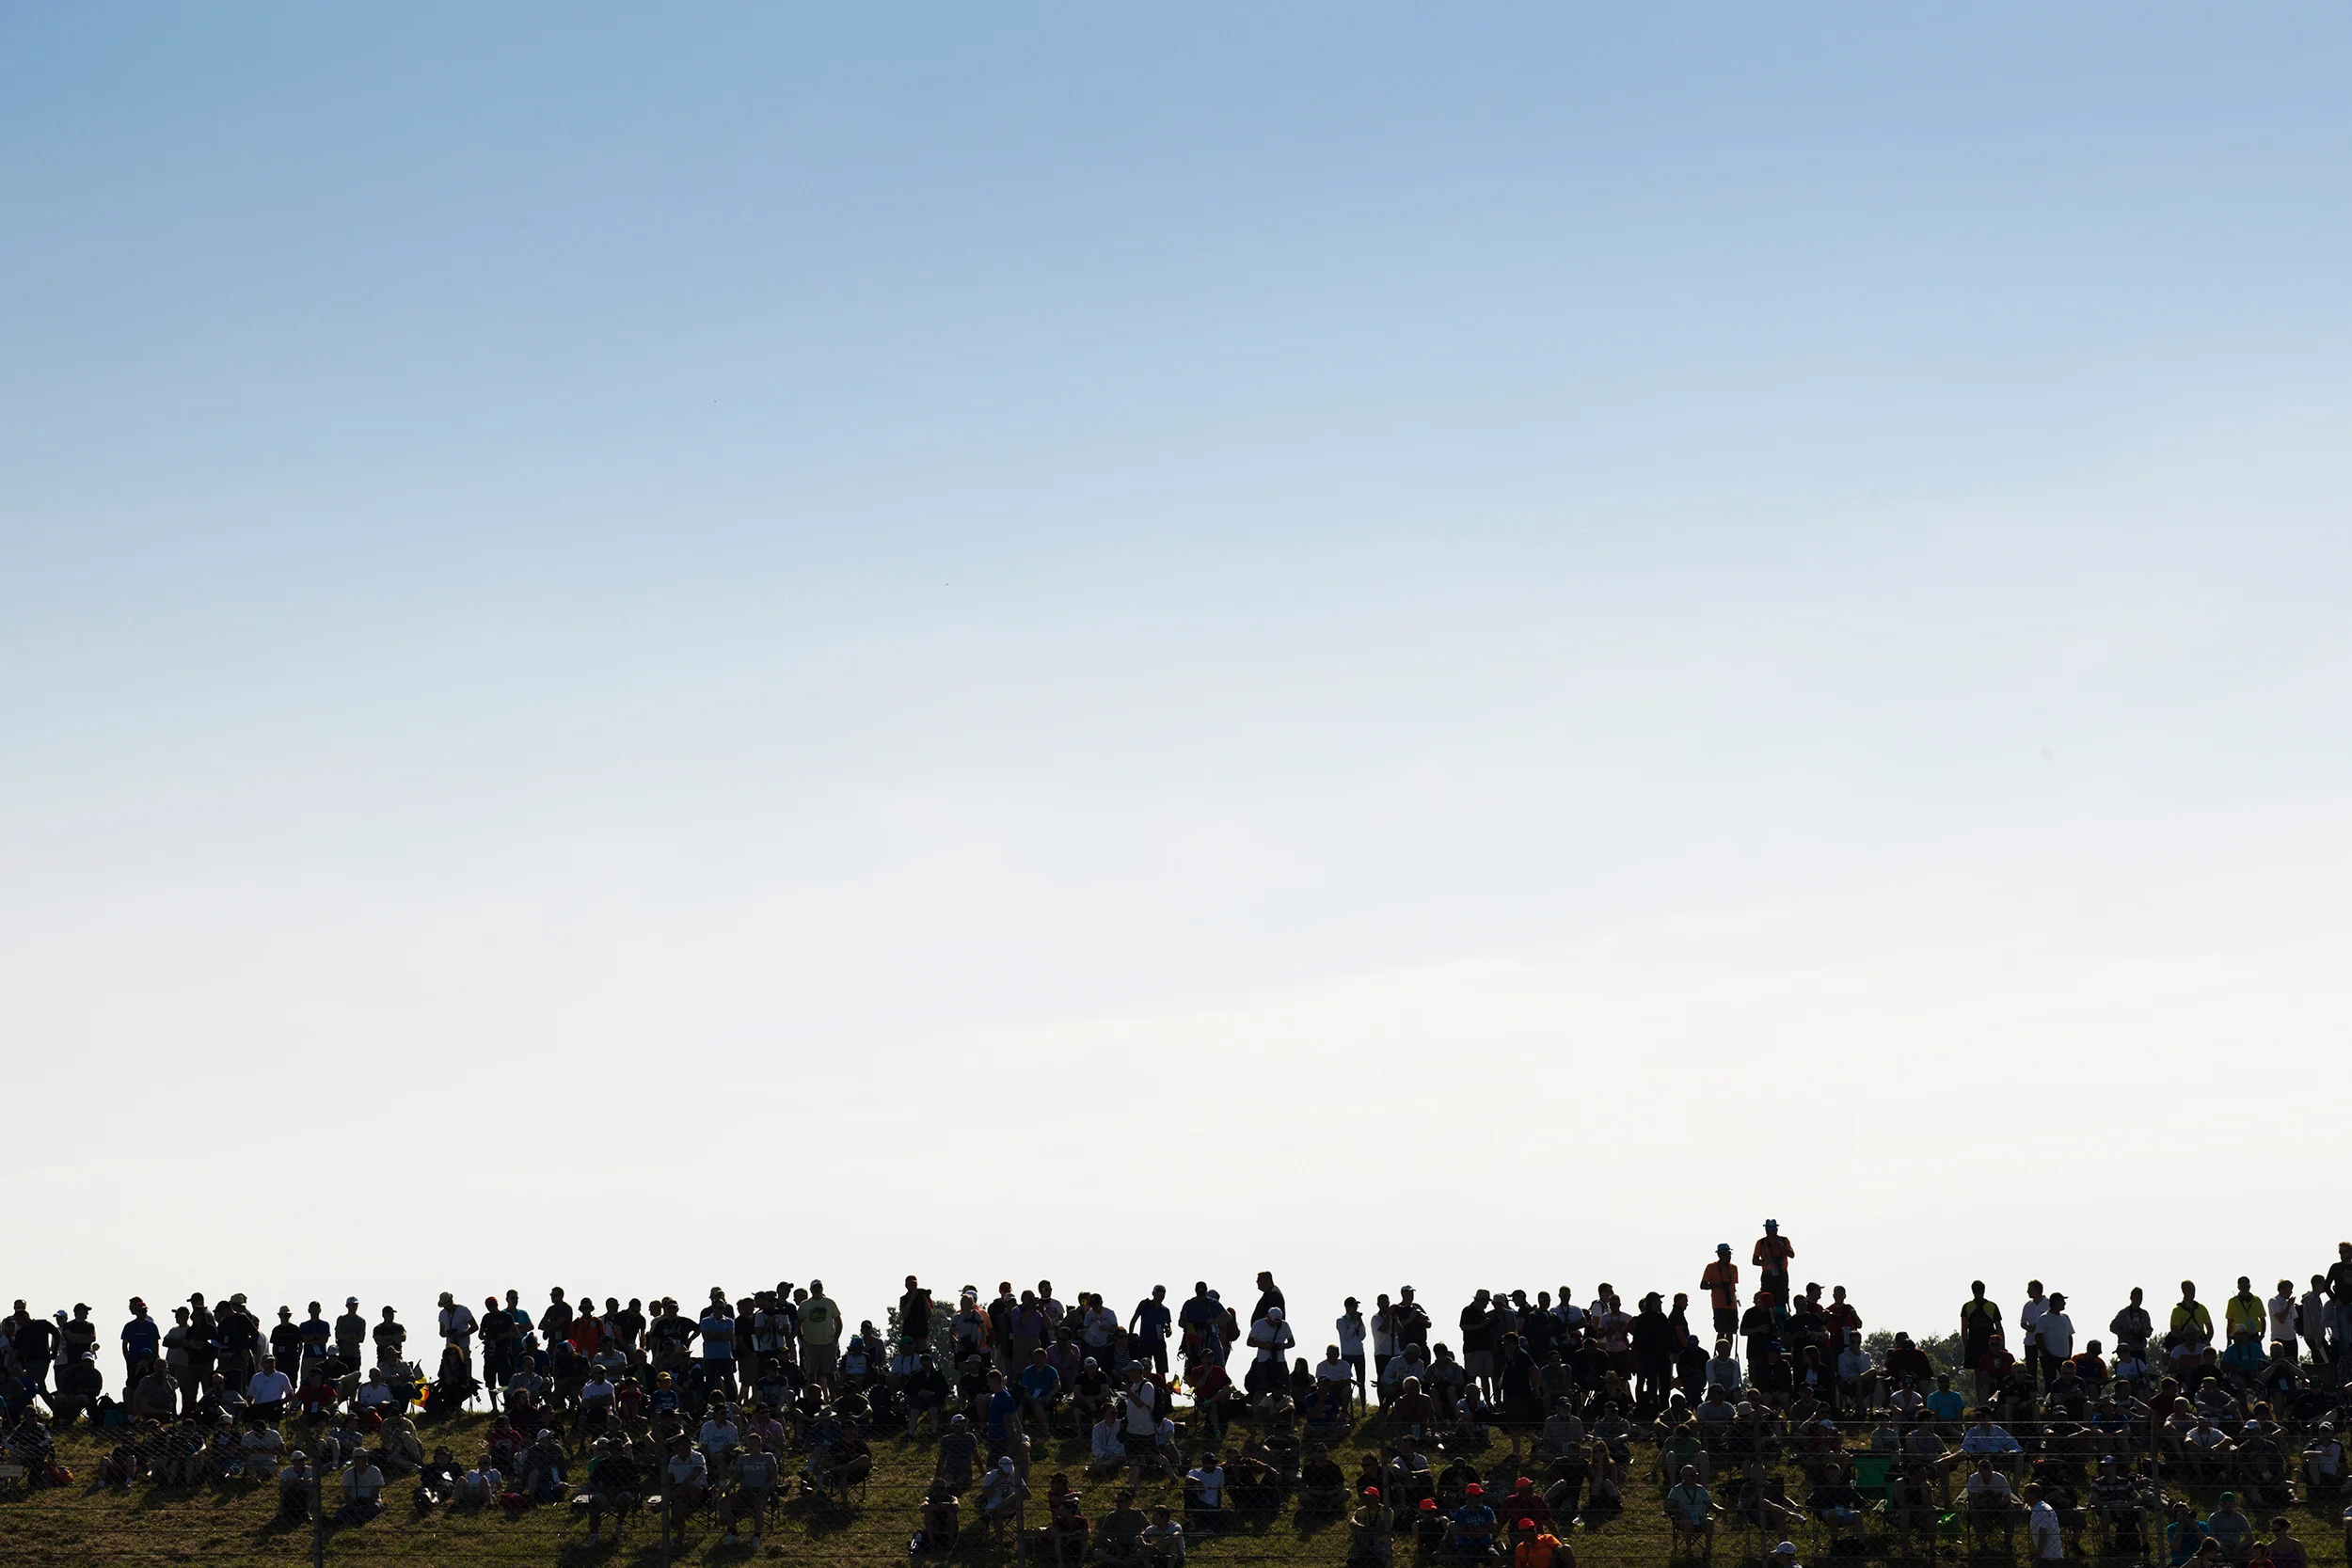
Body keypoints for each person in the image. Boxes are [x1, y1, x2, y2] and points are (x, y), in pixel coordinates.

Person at [1701, 1246, 1740, 1340]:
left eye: (1730, 1254)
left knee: (1731, 1332)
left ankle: (1728, 1354)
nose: (1729, 1257)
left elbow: (1734, 1286)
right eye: (1727, 1254)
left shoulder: (1733, 1268)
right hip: (1719, 1305)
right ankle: (1720, 1353)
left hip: (1731, 1304)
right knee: (1721, 1332)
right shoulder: (1711, 1267)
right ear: (1720, 1255)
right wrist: (1715, 1285)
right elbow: (1703, 1285)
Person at [1752, 1222, 1794, 1307]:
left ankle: (1781, 1315)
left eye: (1773, 1229)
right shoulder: (1761, 1243)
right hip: (1767, 1275)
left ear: (1777, 1230)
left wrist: (1781, 1247)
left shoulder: (1784, 1240)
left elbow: (1792, 1255)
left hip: (1781, 1274)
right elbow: (1754, 1261)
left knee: (1782, 1298)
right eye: (1769, 1230)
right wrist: (1766, 1262)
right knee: (1766, 1298)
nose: (1771, 1232)